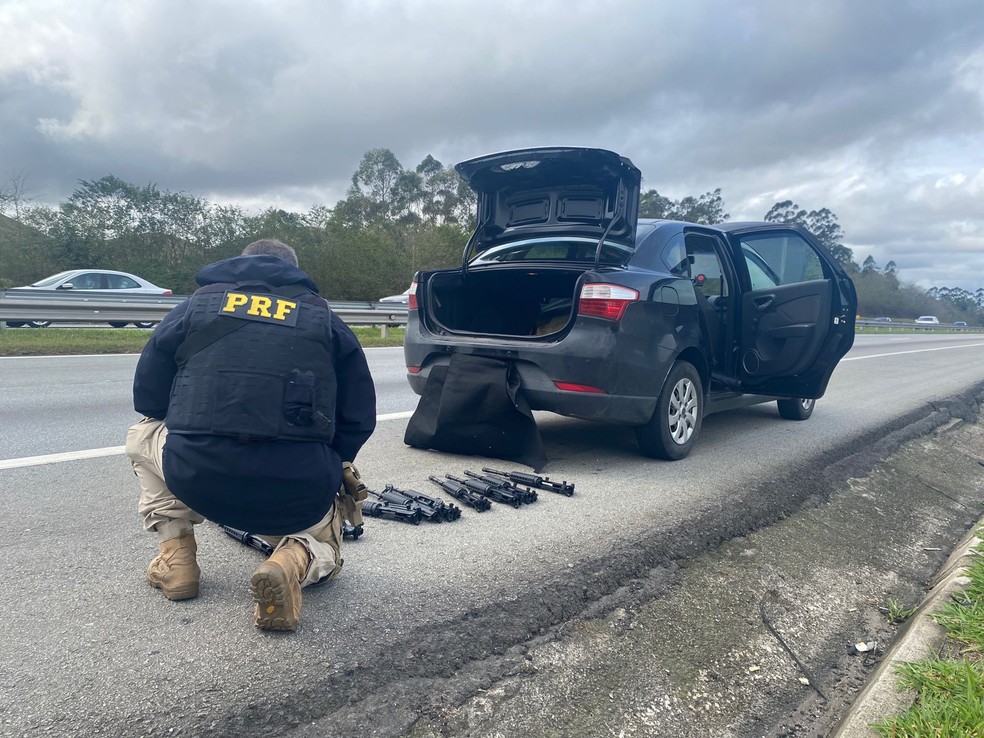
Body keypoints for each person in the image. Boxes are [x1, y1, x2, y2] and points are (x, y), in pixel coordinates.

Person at [125, 238, 376, 631]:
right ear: (294, 269)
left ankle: (177, 561)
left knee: (142, 434)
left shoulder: (195, 307)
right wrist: (329, 463)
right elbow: (358, 418)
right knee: (327, 544)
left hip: (197, 478)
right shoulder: (324, 320)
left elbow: (149, 399)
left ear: (238, 266)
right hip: (296, 491)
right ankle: (291, 561)